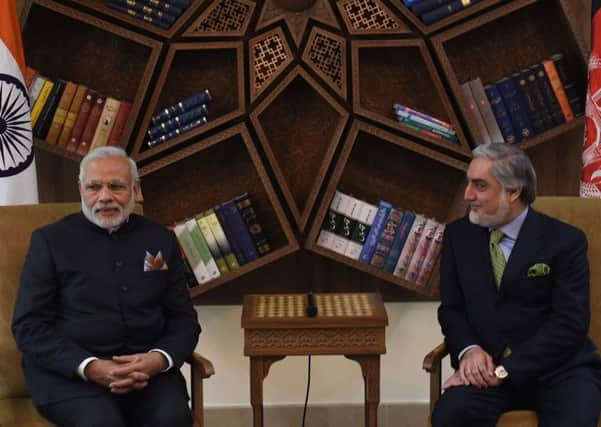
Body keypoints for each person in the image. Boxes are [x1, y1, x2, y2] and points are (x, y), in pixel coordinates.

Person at [12, 146, 201, 426]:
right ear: (80, 189)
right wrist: (91, 367)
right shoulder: (50, 242)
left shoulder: (160, 239)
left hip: (147, 375)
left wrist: (157, 360)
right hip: (72, 378)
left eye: (116, 186)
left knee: (171, 419)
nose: (104, 197)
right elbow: (28, 326)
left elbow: (184, 320)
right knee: (102, 423)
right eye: (94, 187)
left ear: (135, 189)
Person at [432, 143, 601, 426]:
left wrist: (505, 371)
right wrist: (469, 350)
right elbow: (452, 309)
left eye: (480, 186)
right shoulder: (457, 236)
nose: (467, 195)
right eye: (468, 183)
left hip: (560, 371)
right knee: (451, 414)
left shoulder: (565, 241)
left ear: (513, 191)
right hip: (487, 369)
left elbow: (569, 323)